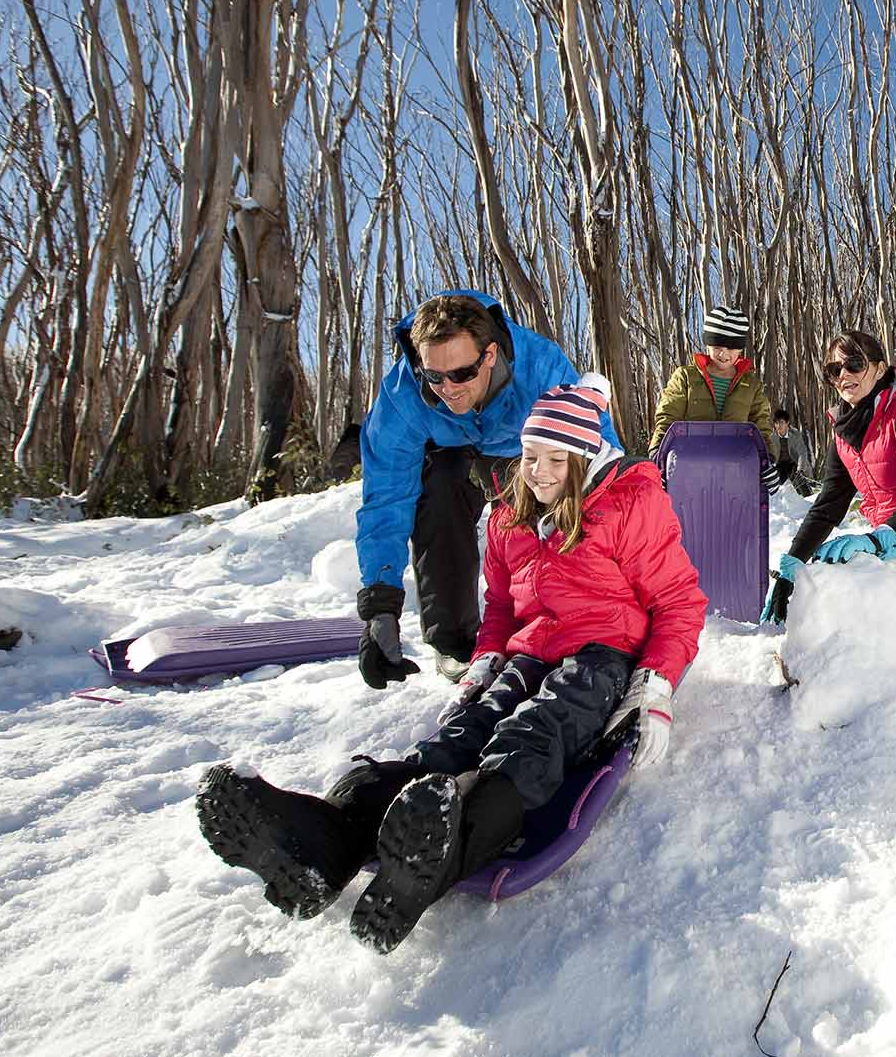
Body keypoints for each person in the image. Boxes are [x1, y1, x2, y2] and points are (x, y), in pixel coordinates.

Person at [196, 376, 707, 954]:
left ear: (585, 460)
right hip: (529, 653)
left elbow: (679, 602)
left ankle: (445, 840)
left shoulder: (628, 505)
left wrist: (656, 686)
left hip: (601, 655)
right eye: (529, 456)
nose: (537, 472)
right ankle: (325, 841)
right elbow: (503, 609)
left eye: (554, 461)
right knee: (454, 741)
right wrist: (487, 660)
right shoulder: (509, 520)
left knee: (535, 734)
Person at [354, 290, 619, 690]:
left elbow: (596, 454)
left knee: (549, 501)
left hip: (518, 449)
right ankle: (455, 643)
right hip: (446, 452)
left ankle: (550, 623)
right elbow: (386, 497)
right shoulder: (402, 395)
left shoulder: (540, 369)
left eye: (461, 374)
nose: (449, 388)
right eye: (434, 376)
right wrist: (380, 603)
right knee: (439, 486)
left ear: (490, 355)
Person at [760, 329, 896, 650]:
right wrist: (792, 566)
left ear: (879, 369)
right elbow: (828, 506)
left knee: (865, 587)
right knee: (834, 578)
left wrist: (880, 538)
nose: (843, 375)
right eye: (834, 370)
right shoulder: (845, 432)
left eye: (853, 364)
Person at [646, 304, 775, 457]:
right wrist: (657, 451)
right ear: (708, 344)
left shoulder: (752, 386)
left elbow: (761, 427)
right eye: (717, 346)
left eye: (731, 348)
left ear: (740, 349)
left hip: (737, 465)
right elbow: (668, 417)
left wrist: (769, 459)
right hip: (690, 461)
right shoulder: (685, 378)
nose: (723, 354)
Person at [770, 408, 815, 497]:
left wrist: (800, 469)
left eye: (782, 422)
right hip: (779, 465)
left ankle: (809, 499)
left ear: (787, 423)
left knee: (800, 482)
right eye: (776, 423)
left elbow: (802, 453)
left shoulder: (795, 435)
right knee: (775, 487)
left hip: (793, 463)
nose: (779, 426)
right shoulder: (772, 437)